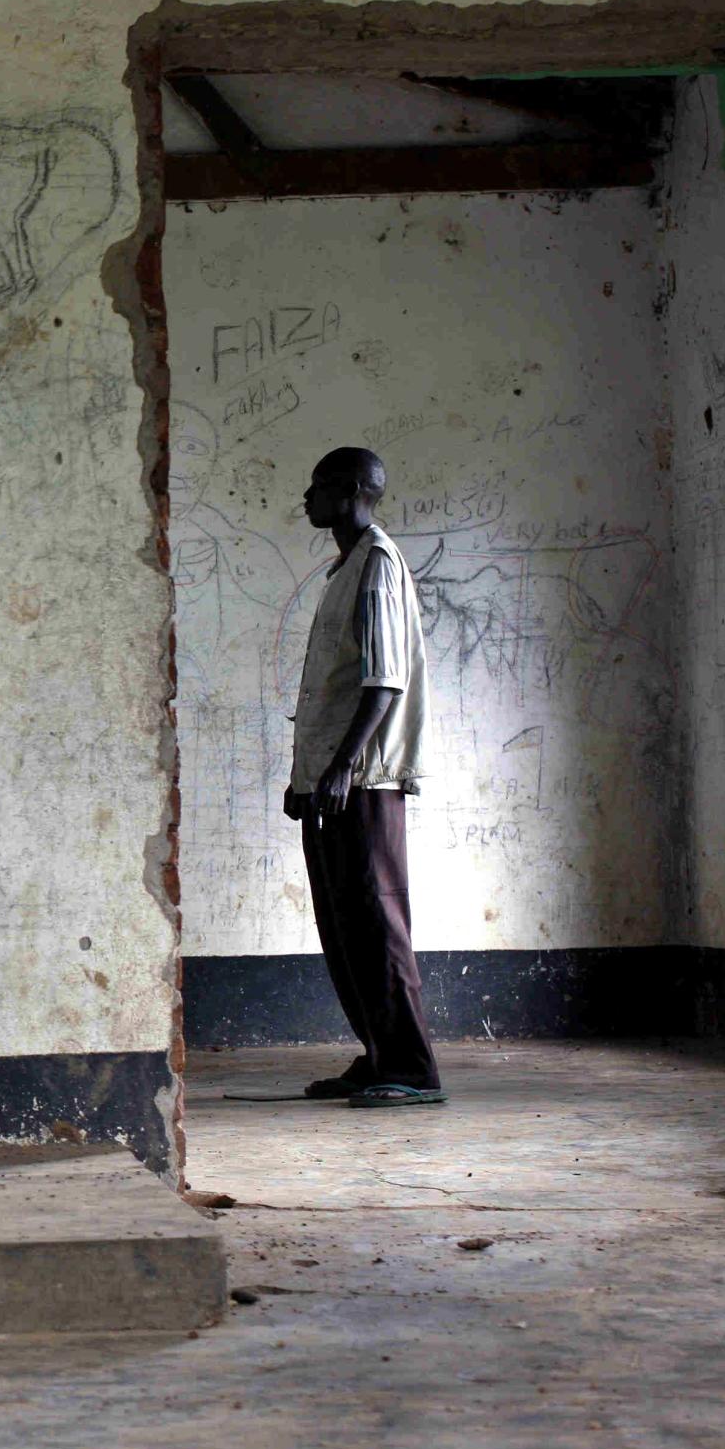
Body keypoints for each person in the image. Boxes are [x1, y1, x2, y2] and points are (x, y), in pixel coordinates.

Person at [282, 447, 445, 1109]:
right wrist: (306, 775)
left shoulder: (377, 564)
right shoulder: (344, 569)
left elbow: (383, 681)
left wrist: (344, 766)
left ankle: (411, 1067)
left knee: (377, 924)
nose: (306, 496)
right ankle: (380, 1053)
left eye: (317, 484)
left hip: (363, 780)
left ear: (349, 489)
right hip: (333, 779)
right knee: (345, 923)